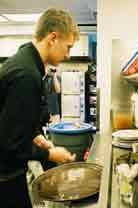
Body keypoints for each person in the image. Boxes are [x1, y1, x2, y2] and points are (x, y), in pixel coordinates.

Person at [0, 8, 79, 208]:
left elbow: (10, 119)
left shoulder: (25, 61)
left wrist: (36, 136)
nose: (68, 55)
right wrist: (51, 154)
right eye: (68, 47)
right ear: (53, 38)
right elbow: (12, 145)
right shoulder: (26, 75)